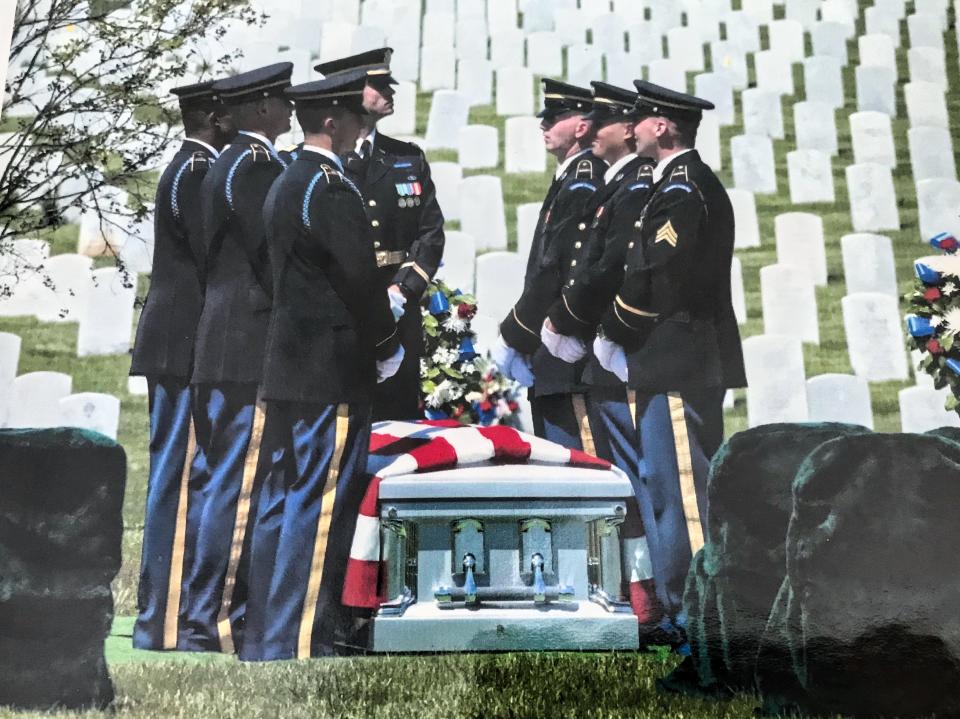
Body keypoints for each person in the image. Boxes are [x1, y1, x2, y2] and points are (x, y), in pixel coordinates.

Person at [239, 69, 403, 661]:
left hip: (289, 363)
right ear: (332, 122)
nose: (364, 128)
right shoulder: (330, 188)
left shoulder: (290, 181)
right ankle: (302, 635)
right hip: (329, 368)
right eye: (357, 118)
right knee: (321, 500)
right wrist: (386, 344)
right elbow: (359, 280)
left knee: (283, 497)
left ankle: (263, 633)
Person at [595, 80, 747, 629]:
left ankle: (702, 617)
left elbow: (660, 275)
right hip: (668, 357)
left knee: (684, 490)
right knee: (667, 485)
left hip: (678, 357)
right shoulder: (675, 185)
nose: (629, 127)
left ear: (661, 127)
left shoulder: (683, 190)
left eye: (638, 119)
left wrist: (613, 330)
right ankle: (681, 608)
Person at [183, 62, 294, 653]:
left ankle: (208, 614)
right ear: (259, 111)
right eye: (281, 100)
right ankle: (218, 619)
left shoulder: (234, 163)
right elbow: (270, 253)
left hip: (226, 339)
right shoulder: (252, 167)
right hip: (245, 341)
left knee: (227, 477)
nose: (291, 108)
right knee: (239, 482)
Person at [131, 80, 235, 651]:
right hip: (185, 342)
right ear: (217, 118)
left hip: (175, 338)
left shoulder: (189, 165)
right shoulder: (198, 172)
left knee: (180, 474)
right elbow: (210, 261)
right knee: (180, 479)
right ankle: (166, 621)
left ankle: (164, 616)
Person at [314, 48, 445, 422]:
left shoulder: (407, 158)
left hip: (395, 312)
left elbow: (430, 235)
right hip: (338, 313)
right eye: (380, 84)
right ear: (352, 91)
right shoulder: (312, 161)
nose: (391, 91)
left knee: (397, 425)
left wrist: (402, 290)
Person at [492, 78, 606, 449]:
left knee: (583, 461)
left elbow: (556, 269)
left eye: (555, 117)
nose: (544, 125)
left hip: (567, 350)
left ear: (581, 126)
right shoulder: (571, 179)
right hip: (553, 349)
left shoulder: (583, 183)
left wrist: (514, 333)